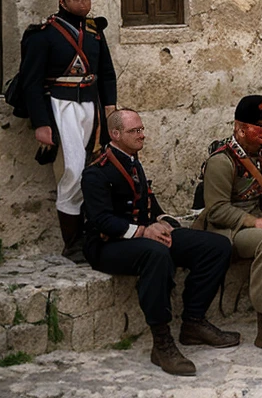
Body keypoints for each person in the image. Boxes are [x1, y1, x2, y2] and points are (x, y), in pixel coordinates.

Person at [81, 109, 240, 376]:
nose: (142, 135)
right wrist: (144, 231)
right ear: (115, 134)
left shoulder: (131, 160)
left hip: (143, 236)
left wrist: (165, 221)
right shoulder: (97, 172)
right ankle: (161, 341)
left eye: (142, 129)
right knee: (156, 254)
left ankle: (193, 321)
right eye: (135, 131)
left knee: (216, 246)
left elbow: (148, 201)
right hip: (108, 245)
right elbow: (101, 221)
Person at [19, 0, 117, 262]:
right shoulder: (43, 35)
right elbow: (31, 83)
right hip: (61, 108)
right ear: (62, 1)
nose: (84, 3)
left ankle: (95, 235)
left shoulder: (95, 32)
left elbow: (106, 74)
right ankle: (72, 243)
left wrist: (110, 113)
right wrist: (42, 124)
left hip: (92, 106)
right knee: (72, 170)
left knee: (95, 170)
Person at [191, 95, 262, 358]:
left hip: (256, 223)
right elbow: (217, 210)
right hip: (228, 230)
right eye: (260, 128)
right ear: (240, 129)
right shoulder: (222, 160)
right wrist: (258, 223)